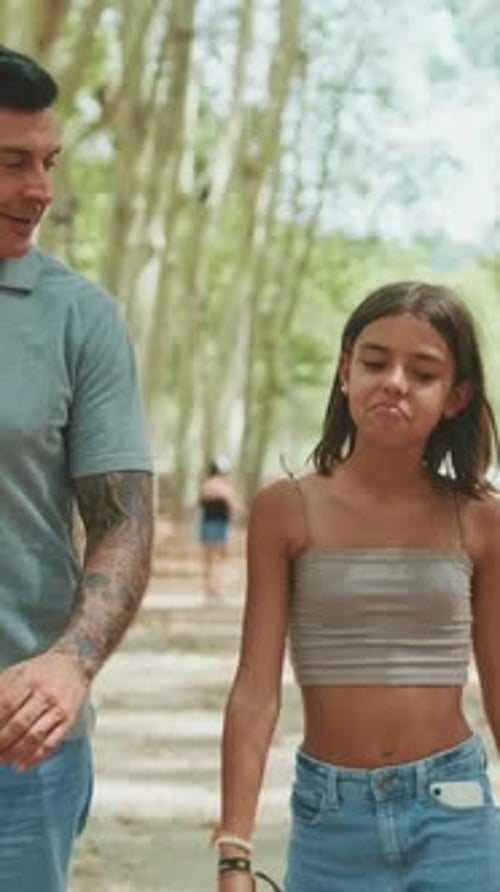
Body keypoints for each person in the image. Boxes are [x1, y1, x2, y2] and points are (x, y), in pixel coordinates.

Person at [215, 281, 500, 891]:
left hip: (454, 812)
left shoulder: (479, 519)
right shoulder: (284, 510)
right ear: (345, 372)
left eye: (423, 373)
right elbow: (256, 691)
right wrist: (234, 851)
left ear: (456, 396)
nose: (394, 381)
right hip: (330, 818)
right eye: (375, 362)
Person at [0, 45, 153, 892]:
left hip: (20, 746)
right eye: (11, 163)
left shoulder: (81, 320)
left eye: (47, 162)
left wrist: (71, 662)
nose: (41, 189)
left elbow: (124, 519)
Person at [199, 458, 240, 601]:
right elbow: (234, 507)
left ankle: (209, 587)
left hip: (206, 524)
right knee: (220, 558)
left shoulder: (206, 485)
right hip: (220, 525)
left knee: (209, 559)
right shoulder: (223, 486)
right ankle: (215, 588)